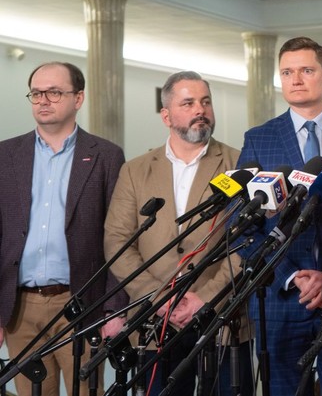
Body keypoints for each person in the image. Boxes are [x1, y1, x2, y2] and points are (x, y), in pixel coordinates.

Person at [236, 36, 322, 396]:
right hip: (281, 300)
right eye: (287, 72)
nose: (296, 79)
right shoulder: (259, 139)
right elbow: (242, 226)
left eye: (306, 70)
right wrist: (292, 276)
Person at [104, 71, 252, 396]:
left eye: (205, 102)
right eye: (188, 103)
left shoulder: (240, 164)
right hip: (155, 324)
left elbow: (248, 241)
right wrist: (159, 299)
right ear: (166, 116)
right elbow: (118, 242)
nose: (200, 109)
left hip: (221, 320)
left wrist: (205, 299)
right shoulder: (136, 170)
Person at [0, 61, 127, 396]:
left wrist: (115, 307)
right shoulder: (5, 155)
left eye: (54, 92)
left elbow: (119, 238)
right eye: (36, 93)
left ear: (78, 98)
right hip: (20, 309)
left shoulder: (106, 156)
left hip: (82, 303)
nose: (43, 100)